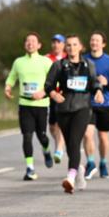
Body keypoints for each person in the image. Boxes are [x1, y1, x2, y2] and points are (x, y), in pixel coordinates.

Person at [45, 34, 102, 194]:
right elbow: (48, 84)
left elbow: (94, 82)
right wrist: (54, 94)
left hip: (82, 108)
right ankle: (79, 171)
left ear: (80, 47)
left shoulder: (88, 64)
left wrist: (98, 91)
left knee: (75, 142)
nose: (71, 48)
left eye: (74, 44)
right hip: (63, 109)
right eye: (68, 45)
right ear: (65, 48)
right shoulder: (58, 65)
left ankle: (70, 177)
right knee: (71, 146)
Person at [4, 32, 54, 180]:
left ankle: (46, 150)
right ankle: (30, 168)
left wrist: (43, 93)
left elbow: (54, 82)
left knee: (42, 136)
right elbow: (12, 77)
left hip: (41, 104)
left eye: (33, 41)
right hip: (24, 104)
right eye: (27, 41)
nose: (30, 43)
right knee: (27, 136)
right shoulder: (18, 62)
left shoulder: (46, 62)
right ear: (24, 44)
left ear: (39, 45)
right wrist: (8, 87)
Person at [83, 32, 109, 179]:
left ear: (103, 44)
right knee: (87, 134)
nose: (94, 43)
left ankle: (103, 163)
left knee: (103, 136)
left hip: (105, 104)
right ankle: (91, 162)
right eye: (92, 40)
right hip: (87, 104)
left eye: (97, 41)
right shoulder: (84, 59)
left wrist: (106, 83)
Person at [45, 34, 68, 164]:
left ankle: (59, 148)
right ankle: (59, 142)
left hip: (64, 95)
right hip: (51, 95)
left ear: (63, 44)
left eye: (59, 42)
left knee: (60, 123)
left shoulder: (68, 57)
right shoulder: (46, 58)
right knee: (52, 127)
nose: (56, 45)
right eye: (53, 42)